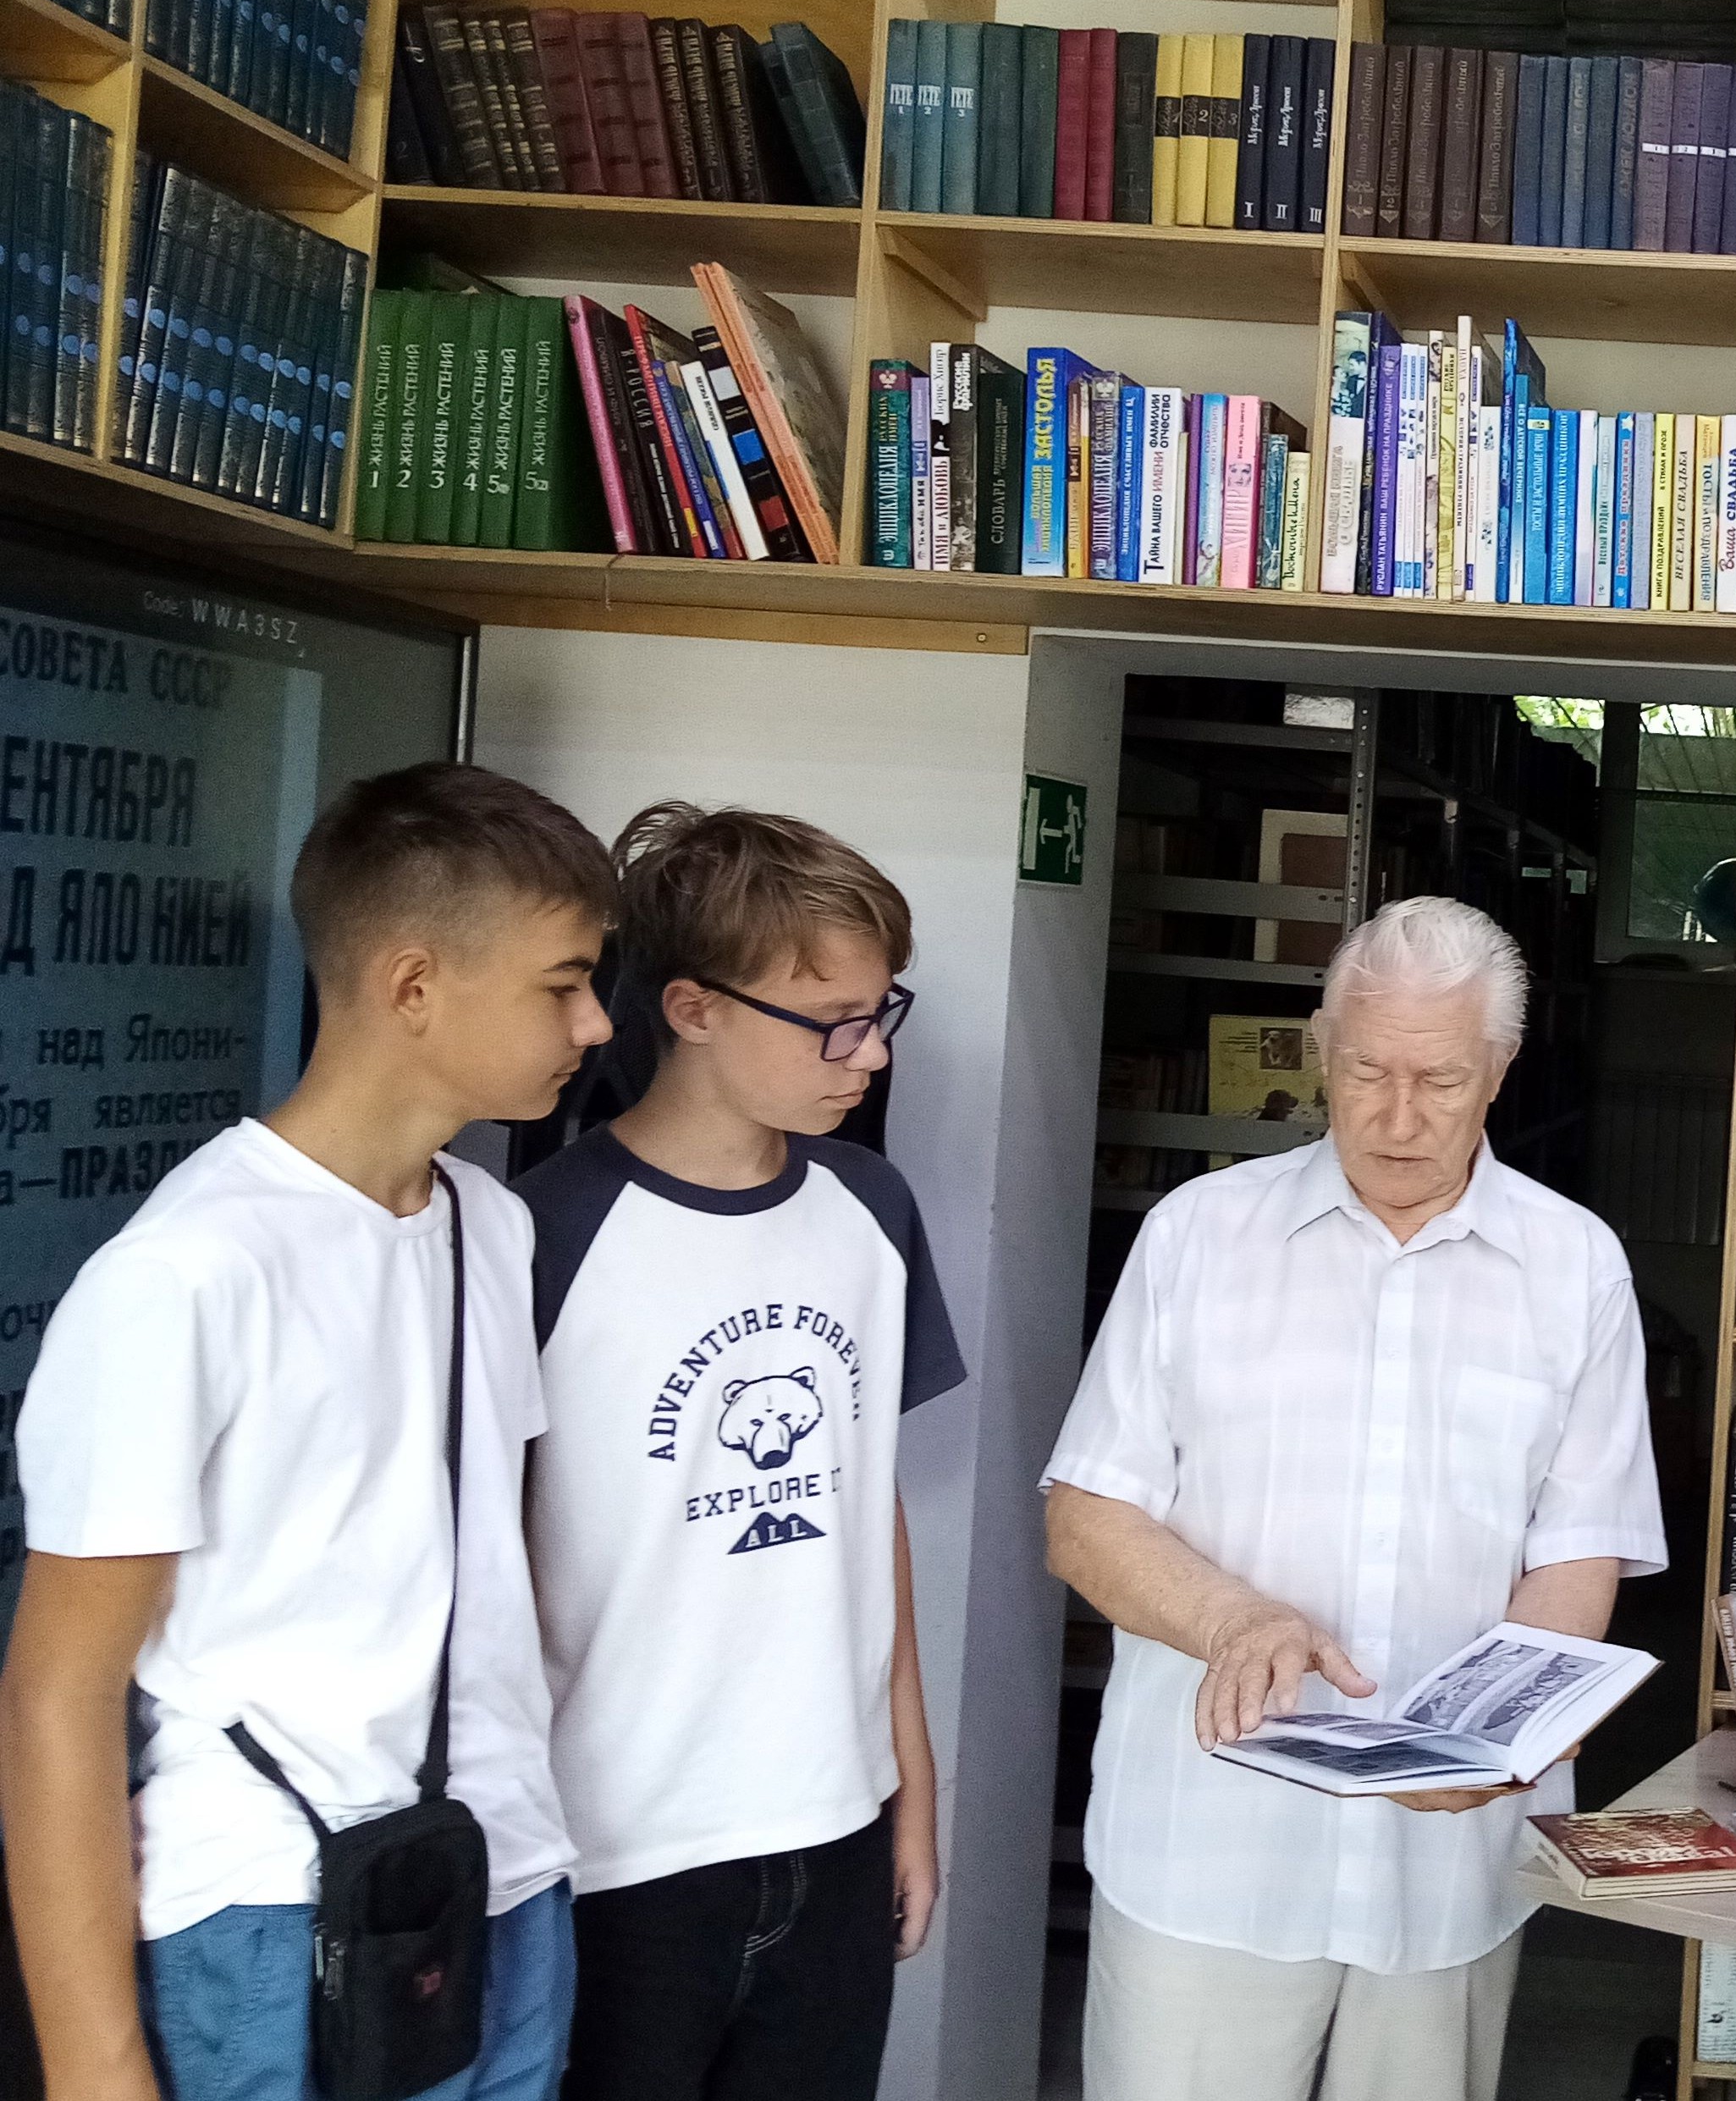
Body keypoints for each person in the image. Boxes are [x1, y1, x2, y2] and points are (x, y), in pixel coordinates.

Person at [0, 761, 618, 2101]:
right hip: (268, 1911)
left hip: (503, 1879)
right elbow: (58, 1692)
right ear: (414, 985)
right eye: (563, 982)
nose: (595, 1021)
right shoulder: (184, 1273)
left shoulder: (491, 1225)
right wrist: (95, 2066)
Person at [1043, 896, 1667, 2101]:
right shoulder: (1197, 1236)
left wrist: (1503, 1737)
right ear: (1323, 1052)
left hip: (1445, 1864)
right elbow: (1087, 1517)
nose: (1396, 1116)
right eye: (1366, 1072)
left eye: (1439, 1080)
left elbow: (1579, 1551)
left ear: (1499, 1072)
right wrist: (1234, 1620)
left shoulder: (1575, 1264)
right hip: (1208, 1850)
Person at [515, 805, 963, 2100]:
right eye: (831, 1020)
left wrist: (912, 1782)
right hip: (615, 1848)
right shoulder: (539, 1232)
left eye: (882, 1012)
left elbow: (865, 1507)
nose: (871, 1052)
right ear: (694, 1008)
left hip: (837, 1820)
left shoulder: (870, 1211)